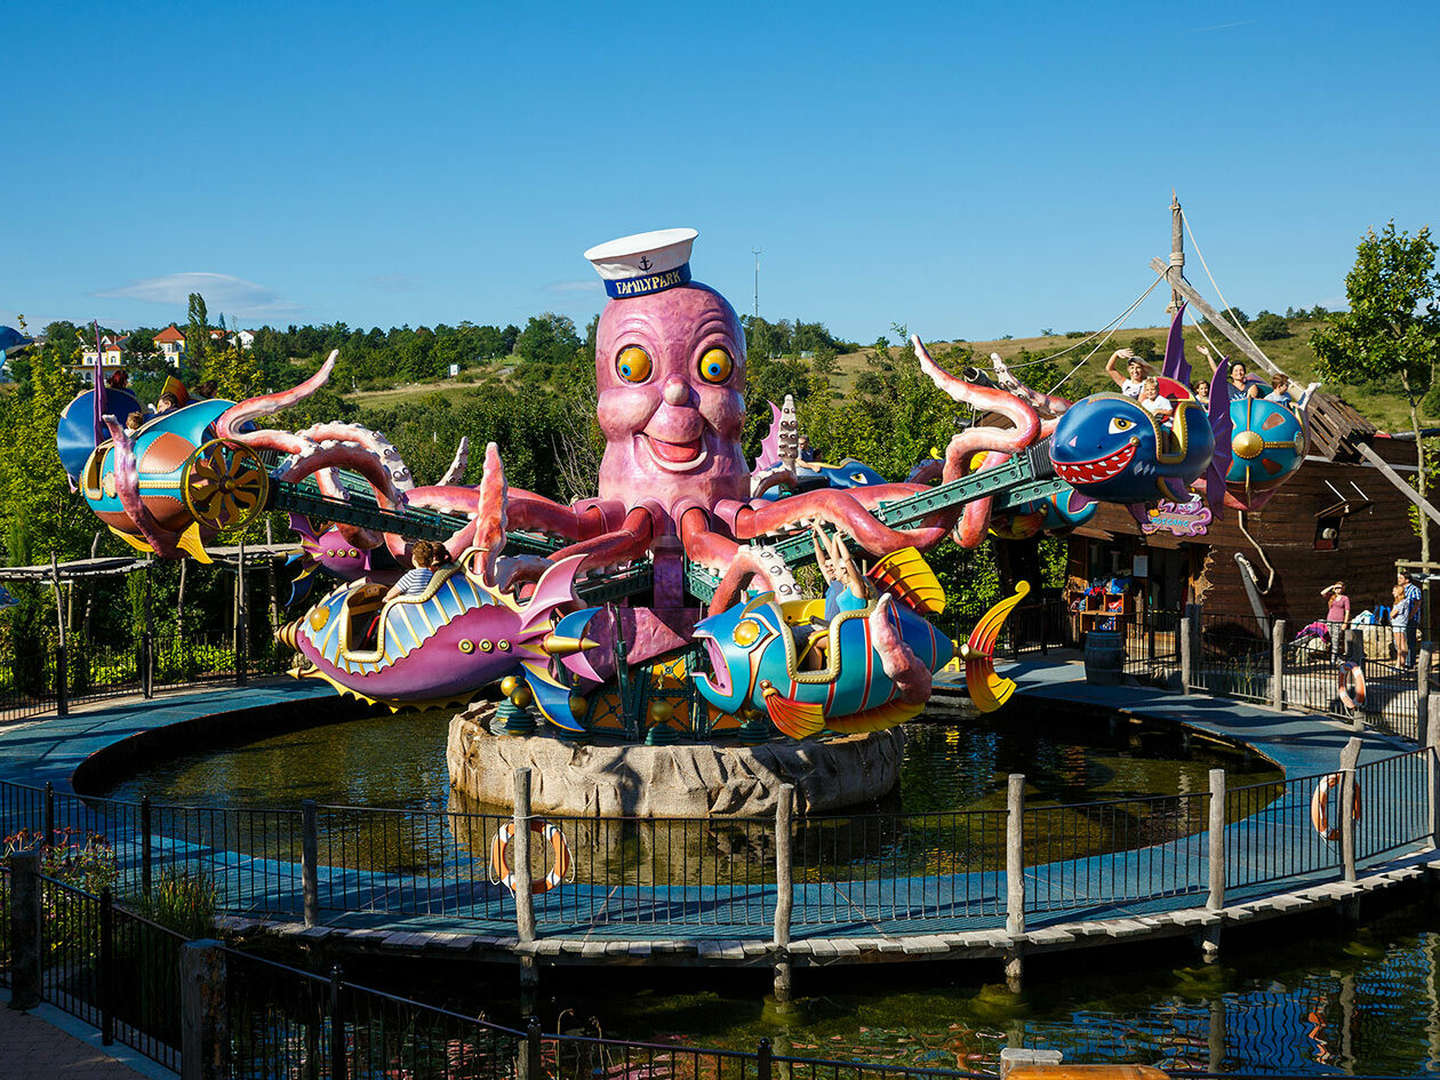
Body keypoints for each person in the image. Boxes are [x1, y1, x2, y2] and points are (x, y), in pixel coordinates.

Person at [1323, 582, 1350, 662]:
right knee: (1333, 640)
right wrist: (1331, 586)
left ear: (1343, 589)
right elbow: (1322, 593)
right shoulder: (1331, 597)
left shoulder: (1345, 598)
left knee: (1336, 639)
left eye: (1340, 588)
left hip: (1339, 621)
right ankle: (1337, 657)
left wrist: (1345, 623)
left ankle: (1333, 659)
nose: (1338, 589)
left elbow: (1347, 611)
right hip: (1330, 620)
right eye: (1337, 588)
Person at [1390, 581, 1411, 669]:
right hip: (1398, 624)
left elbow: (1392, 614)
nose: (1393, 593)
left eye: (1394, 591)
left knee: (1400, 645)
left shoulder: (1401, 603)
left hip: (1399, 625)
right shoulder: (1402, 602)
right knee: (1399, 645)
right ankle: (1400, 663)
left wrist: (1390, 614)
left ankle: (1401, 664)